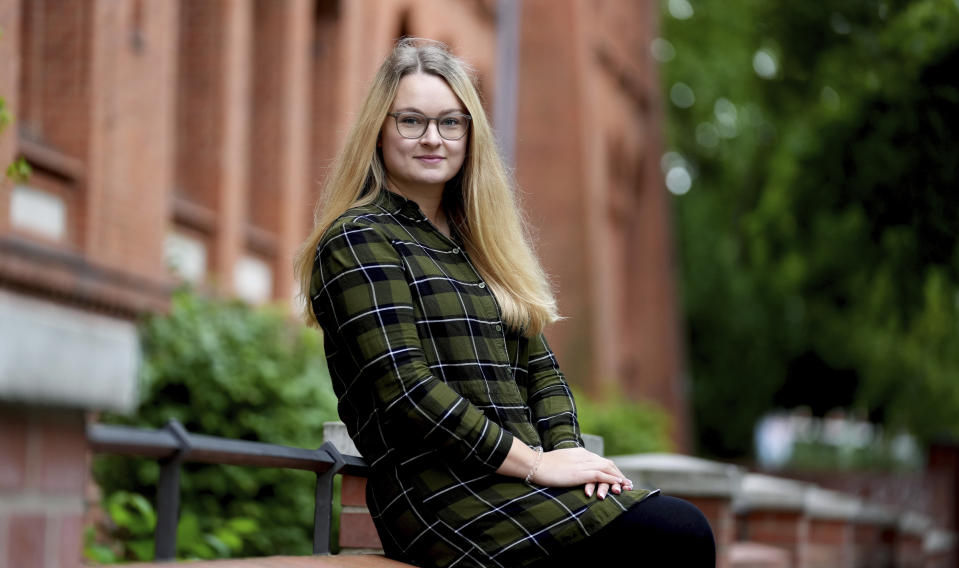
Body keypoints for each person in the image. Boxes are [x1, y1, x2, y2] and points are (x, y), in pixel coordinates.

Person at [294, 38, 714, 568]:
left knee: (675, 527)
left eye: (451, 122)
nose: (432, 138)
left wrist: (567, 453)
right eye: (410, 121)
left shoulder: (481, 245)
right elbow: (407, 390)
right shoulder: (359, 238)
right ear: (378, 131)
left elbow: (543, 372)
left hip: (520, 480)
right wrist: (536, 466)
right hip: (440, 497)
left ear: (471, 135)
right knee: (675, 533)